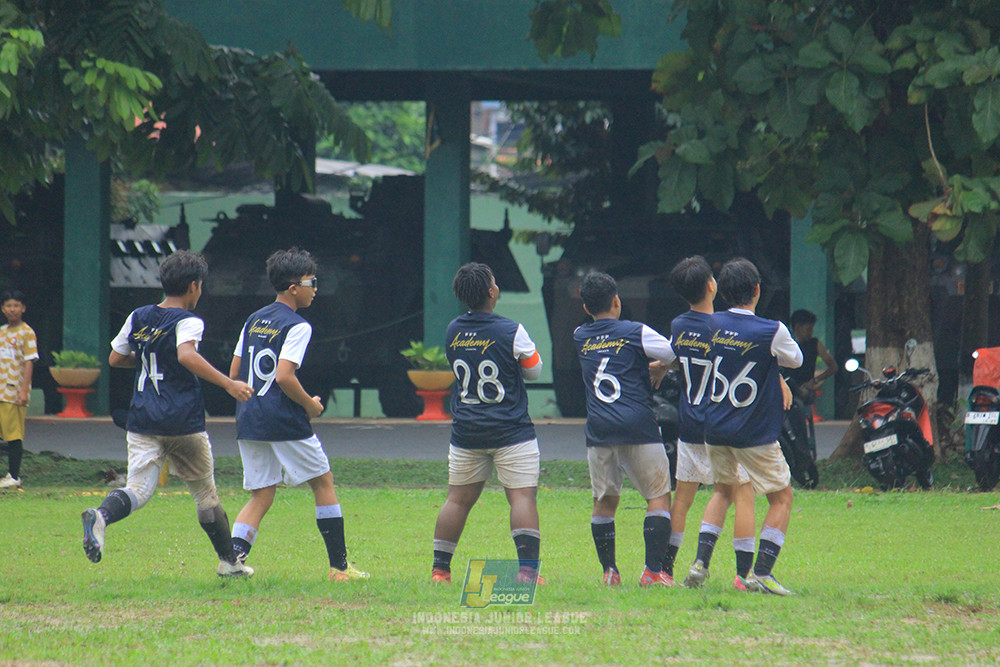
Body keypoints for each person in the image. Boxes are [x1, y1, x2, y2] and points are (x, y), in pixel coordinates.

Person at [80, 250, 255, 577]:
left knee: (138, 490)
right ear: (193, 286)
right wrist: (228, 384)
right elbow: (186, 355)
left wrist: (150, 358)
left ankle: (101, 516)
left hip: (142, 419)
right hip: (182, 420)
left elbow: (116, 358)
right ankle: (229, 563)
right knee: (205, 496)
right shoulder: (189, 320)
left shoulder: (138, 316)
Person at [228, 247, 368, 582]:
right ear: (294, 288)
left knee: (262, 493)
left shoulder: (253, 319)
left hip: (249, 417)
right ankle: (339, 568)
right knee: (323, 481)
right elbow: (284, 377)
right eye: (311, 282)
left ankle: (231, 562)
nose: (315, 289)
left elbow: (235, 372)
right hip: (282, 419)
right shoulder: (298, 325)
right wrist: (310, 405)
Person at [431, 262, 545, 584]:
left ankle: (440, 571)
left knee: (456, 500)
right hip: (511, 430)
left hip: (466, 431)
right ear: (492, 292)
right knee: (522, 498)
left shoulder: (453, 330)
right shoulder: (511, 330)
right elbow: (534, 370)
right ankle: (527, 573)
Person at [703, 258, 802, 595]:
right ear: (757, 290)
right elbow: (796, 359)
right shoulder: (771, 330)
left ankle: (700, 562)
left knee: (722, 491)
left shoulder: (710, 324)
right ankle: (761, 572)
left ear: (721, 292)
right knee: (782, 498)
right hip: (752, 431)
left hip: (715, 429)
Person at [658, 257, 757, 592]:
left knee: (682, 499)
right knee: (741, 495)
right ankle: (742, 574)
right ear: (713, 286)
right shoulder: (722, 328)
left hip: (689, 423)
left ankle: (665, 569)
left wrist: (662, 366)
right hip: (721, 424)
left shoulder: (678, 325)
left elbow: (673, 356)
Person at [574, 271, 677, 587]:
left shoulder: (580, 335)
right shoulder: (636, 331)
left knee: (604, 501)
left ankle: (610, 572)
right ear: (617, 301)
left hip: (599, 430)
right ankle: (653, 572)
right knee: (658, 497)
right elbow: (673, 353)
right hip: (638, 425)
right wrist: (660, 367)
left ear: (586, 308)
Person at [0, 289, 38, 489]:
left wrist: (24, 390)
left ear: (23, 308)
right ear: (3, 309)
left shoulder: (27, 332)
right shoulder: (2, 332)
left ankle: (14, 476)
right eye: (9, 305)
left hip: (13, 393)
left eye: (16, 305)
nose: (12, 309)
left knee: (13, 435)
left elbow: (29, 361)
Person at [787, 309, 838, 402]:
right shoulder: (786, 344)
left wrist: (816, 380)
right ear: (797, 327)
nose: (811, 332)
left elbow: (833, 367)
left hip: (805, 392)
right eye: (808, 329)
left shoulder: (814, 344)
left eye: (812, 329)